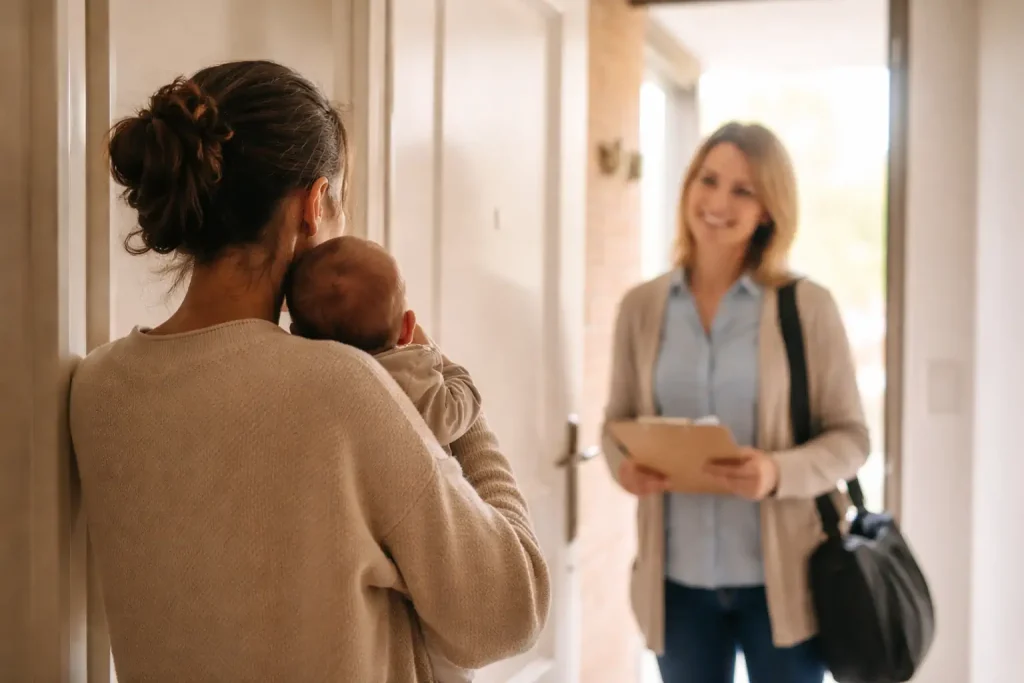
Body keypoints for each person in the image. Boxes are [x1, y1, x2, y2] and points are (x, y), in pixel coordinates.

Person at [69, 60, 549, 682]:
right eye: (340, 199)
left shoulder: (98, 389)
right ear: (313, 203)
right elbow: (507, 612)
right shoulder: (343, 387)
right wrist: (443, 383)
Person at [602, 121, 869, 683]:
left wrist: (775, 471)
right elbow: (614, 424)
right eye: (709, 180)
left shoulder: (806, 307)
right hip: (676, 585)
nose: (718, 202)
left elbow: (851, 439)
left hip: (785, 586)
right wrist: (625, 467)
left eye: (743, 190)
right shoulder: (642, 307)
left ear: (768, 209)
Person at [286, 235, 481, 683]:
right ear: (407, 326)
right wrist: (443, 363)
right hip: (427, 547)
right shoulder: (414, 378)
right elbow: (463, 406)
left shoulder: (308, 378)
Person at [286, 236, 481, 460]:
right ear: (408, 328)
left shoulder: (304, 379)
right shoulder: (410, 374)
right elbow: (457, 411)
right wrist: (449, 369)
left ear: (297, 335)